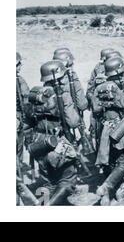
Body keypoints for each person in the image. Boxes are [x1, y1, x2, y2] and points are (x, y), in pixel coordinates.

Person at [27, 60, 82, 205]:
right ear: (58, 76)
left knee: (47, 183)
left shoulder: (34, 95)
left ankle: (43, 204)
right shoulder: (62, 95)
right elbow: (73, 122)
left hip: (39, 144)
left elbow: (29, 121)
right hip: (58, 144)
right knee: (67, 180)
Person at [92, 56, 124, 205]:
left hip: (105, 129)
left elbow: (95, 110)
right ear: (120, 70)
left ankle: (113, 194)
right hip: (122, 129)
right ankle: (106, 188)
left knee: (111, 162)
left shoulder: (99, 88)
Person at [16, 52, 30, 165]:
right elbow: (26, 99)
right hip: (17, 117)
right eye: (19, 64)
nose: (20, 66)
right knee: (18, 146)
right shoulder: (19, 80)